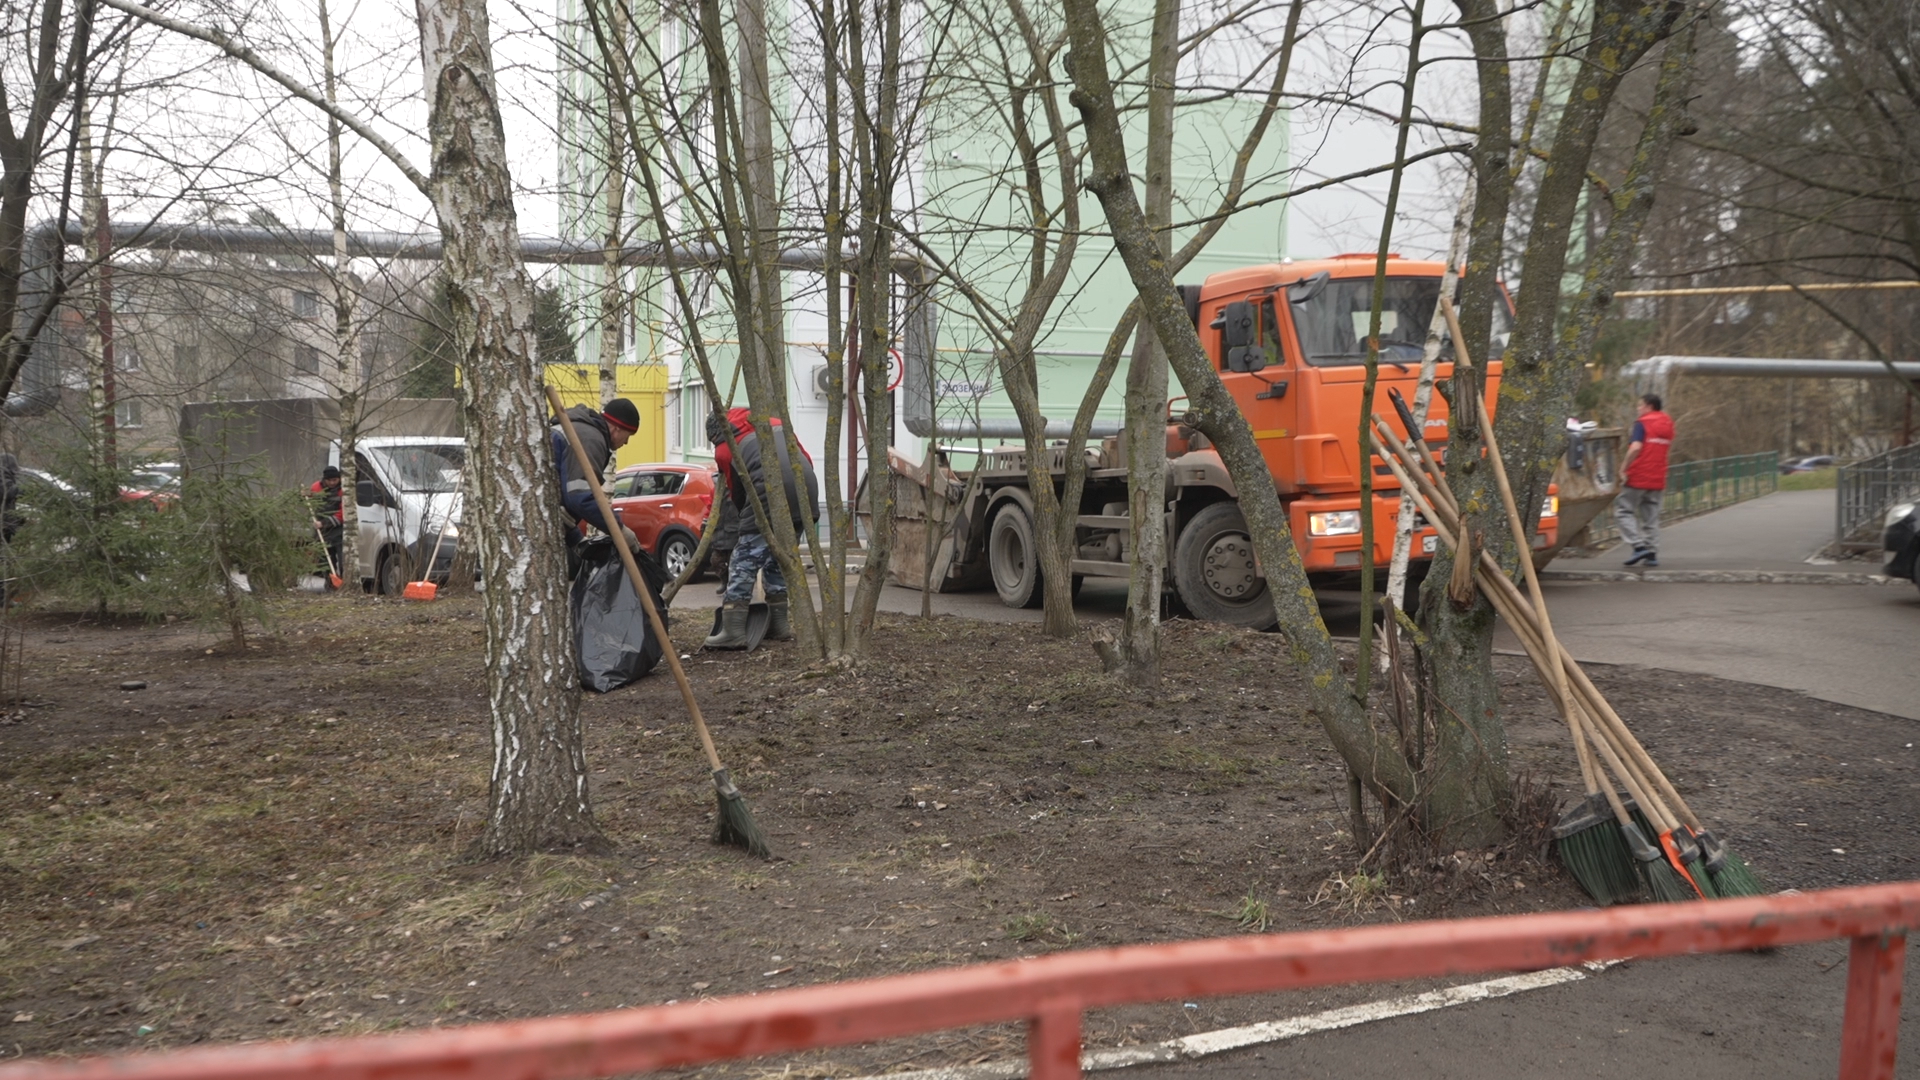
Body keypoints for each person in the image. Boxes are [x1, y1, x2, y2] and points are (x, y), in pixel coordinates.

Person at [705, 407, 819, 647]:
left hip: (769, 494)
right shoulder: (775, 423)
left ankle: (733, 630)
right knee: (779, 558)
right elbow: (805, 459)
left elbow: (736, 491)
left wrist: (744, 523)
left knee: (742, 560)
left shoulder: (726, 447)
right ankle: (779, 625)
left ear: (715, 433)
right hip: (806, 489)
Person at [550, 397, 641, 575]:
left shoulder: (579, 429)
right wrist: (619, 529)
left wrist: (576, 539)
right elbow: (579, 496)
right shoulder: (592, 439)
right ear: (616, 429)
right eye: (627, 436)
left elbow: (565, 494)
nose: (626, 443)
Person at [1614, 393, 1674, 567]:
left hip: (1638, 475)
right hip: (1658, 476)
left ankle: (1638, 546)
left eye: (1640, 405)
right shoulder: (1668, 424)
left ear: (1648, 406)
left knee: (1623, 511)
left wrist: (1623, 467)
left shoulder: (1642, 423)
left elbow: (1636, 447)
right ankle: (1652, 552)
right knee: (1651, 515)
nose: (1638, 409)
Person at [310, 465, 345, 579]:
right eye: (329, 480)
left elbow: (343, 512)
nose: (332, 483)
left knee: (343, 558)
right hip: (323, 532)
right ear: (324, 480)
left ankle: (344, 580)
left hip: (339, 530)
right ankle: (331, 583)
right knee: (326, 559)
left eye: (335, 480)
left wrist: (324, 523)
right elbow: (309, 500)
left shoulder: (343, 490)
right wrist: (303, 496)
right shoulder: (316, 488)